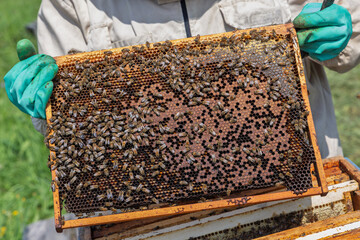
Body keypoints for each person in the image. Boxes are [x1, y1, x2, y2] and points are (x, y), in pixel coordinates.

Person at [4, 0, 358, 159]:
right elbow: (70, 127)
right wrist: (46, 103)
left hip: (295, 190)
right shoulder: (72, 3)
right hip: (149, 216)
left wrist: (340, 30)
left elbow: (348, 16)